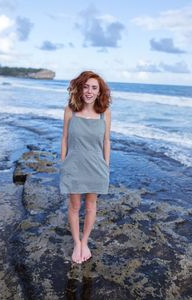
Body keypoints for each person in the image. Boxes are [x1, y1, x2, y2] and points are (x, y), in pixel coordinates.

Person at [59, 70, 111, 264]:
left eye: (94, 88)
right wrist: (63, 162)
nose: (89, 91)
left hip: (96, 168)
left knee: (90, 206)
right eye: (86, 86)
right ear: (80, 89)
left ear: (99, 92)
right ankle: (76, 242)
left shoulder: (104, 113)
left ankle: (85, 241)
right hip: (73, 166)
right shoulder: (70, 110)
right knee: (74, 206)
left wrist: (106, 166)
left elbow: (107, 141)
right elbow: (64, 138)